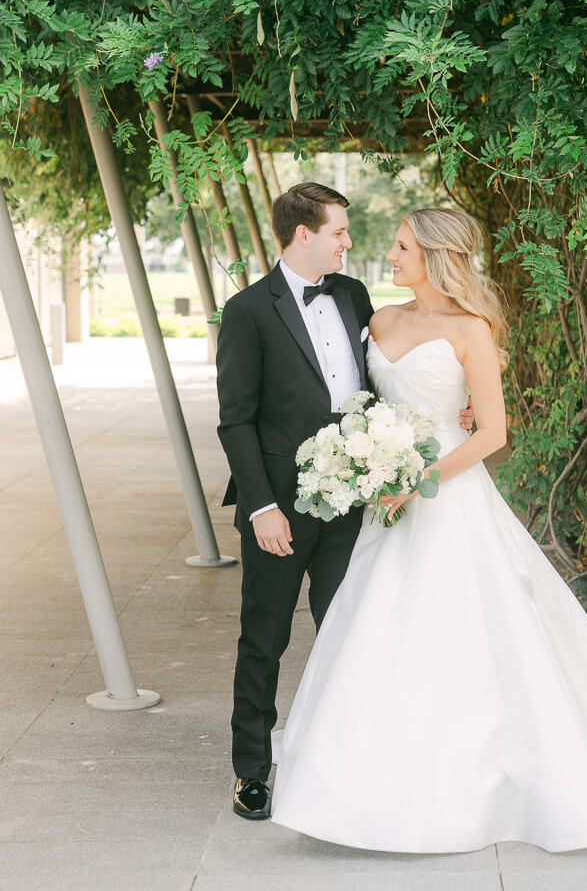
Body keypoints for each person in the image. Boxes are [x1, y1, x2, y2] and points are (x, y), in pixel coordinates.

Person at [270, 207, 587, 854]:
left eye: (402, 247)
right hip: (388, 498)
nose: (391, 255)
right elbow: (366, 404)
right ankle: (362, 776)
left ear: (434, 256)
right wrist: (366, 459)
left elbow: (492, 432)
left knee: (462, 630)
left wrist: (420, 477)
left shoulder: (472, 330)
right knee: (376, 626)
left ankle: (470, 774)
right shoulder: (381, 319)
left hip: (448, 499)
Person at [216, 182, 373, 821]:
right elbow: (236, 421)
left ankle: (349, 758)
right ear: (302, 234)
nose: (348, 241)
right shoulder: (248, 311)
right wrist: (261, 508)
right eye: (339, 231)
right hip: (280, 508)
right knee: (265, 638)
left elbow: (377, 380)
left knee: (351, 632)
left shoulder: (353, 295)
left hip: (352, 503)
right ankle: (252, 771)